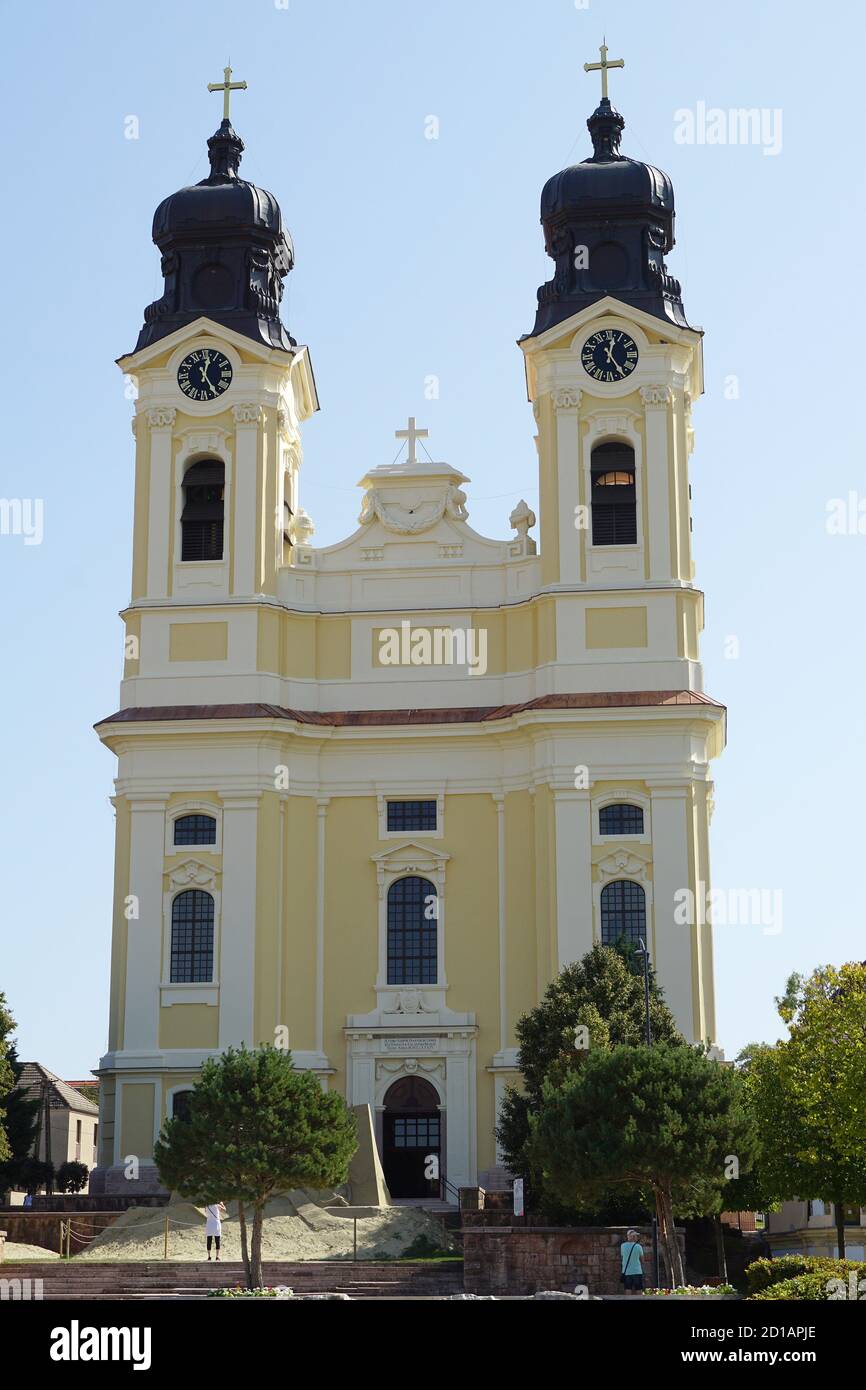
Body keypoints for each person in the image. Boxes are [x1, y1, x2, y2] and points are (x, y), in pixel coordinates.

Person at [620, 1229, 644, 1294]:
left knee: (628, 1289)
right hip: (637, 1271)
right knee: (639, 1290)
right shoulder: (639, 1246)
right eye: (635, 1236)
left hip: (626, 1272)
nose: (636, 1237)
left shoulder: (622, 1246)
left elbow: (622, 1257)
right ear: (632, 1237)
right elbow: (642, 1260)